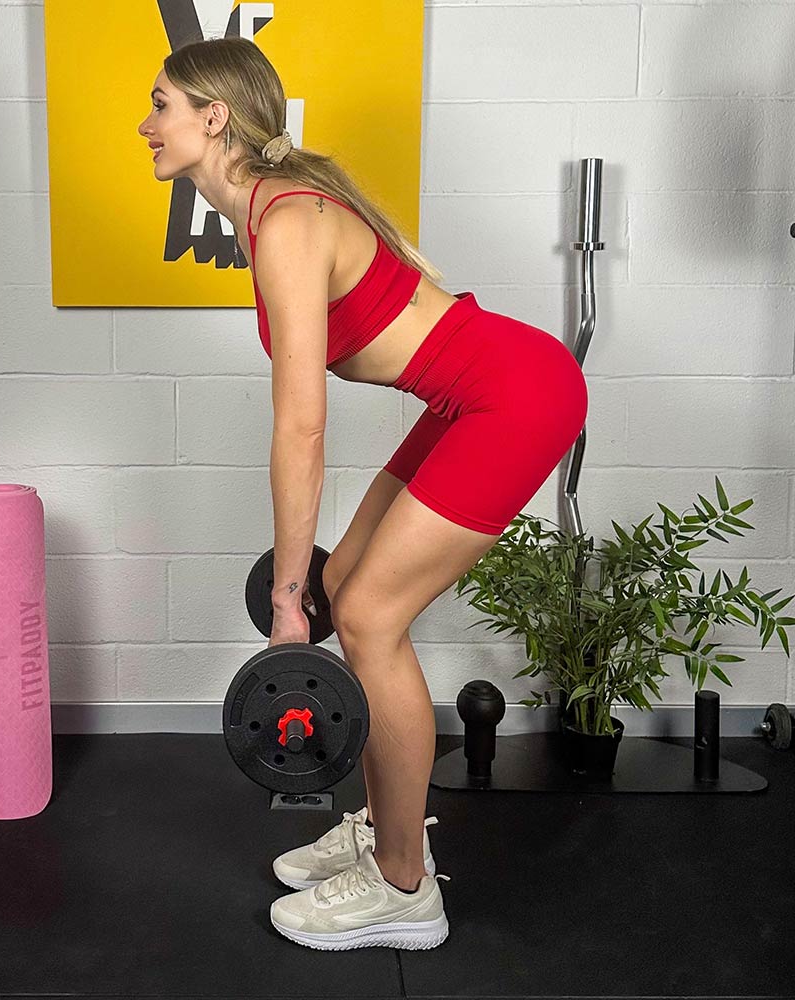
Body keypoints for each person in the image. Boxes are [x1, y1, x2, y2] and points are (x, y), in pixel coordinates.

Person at [138, 36, 588, 952]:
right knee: (347, 592)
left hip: (516, 396)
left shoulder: (287, 222)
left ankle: (403, 888)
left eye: (160, 104)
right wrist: (306, 587)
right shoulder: (273, 212)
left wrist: (286, 597)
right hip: (476, 396)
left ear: (213, 118)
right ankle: (385, 829)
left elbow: (302, 430)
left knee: (369, 617)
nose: (144, 124)